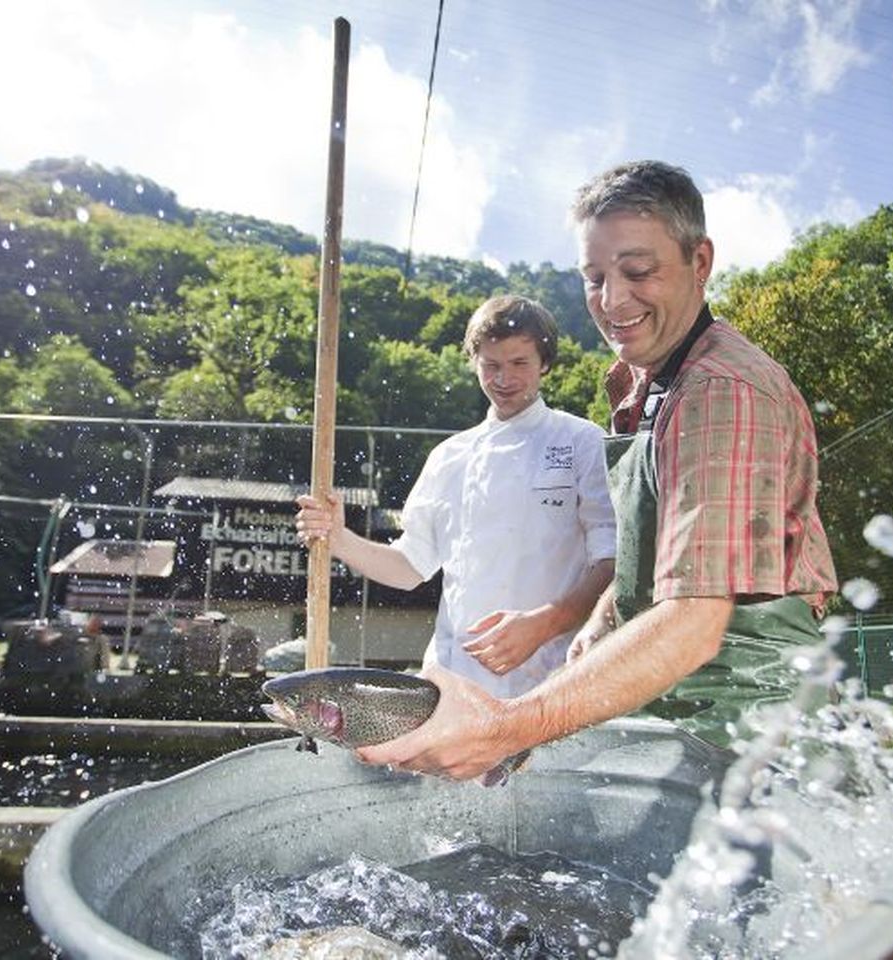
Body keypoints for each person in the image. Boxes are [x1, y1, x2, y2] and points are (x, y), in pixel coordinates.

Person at [355, 160, 837, 780]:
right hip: (679, 710)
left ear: (700, 262)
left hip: (751, 731)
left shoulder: (721, 393)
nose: (612, 302)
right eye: (593, 278)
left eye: (639, 271)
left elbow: (694, 622)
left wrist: (505, 729)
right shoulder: (649, 389)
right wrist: (605, 616)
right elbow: (664, 554)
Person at [295, 294, 616, 697]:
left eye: (520, 363)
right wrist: (340, 539)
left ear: (545, 363)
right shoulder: (449, 457)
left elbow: (611, 562)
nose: (504, 379)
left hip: (555, 681)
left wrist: (544, 624)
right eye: (492, 365)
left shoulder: (582, 441)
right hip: (454, 681)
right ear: (474, 363)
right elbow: (411, 567)